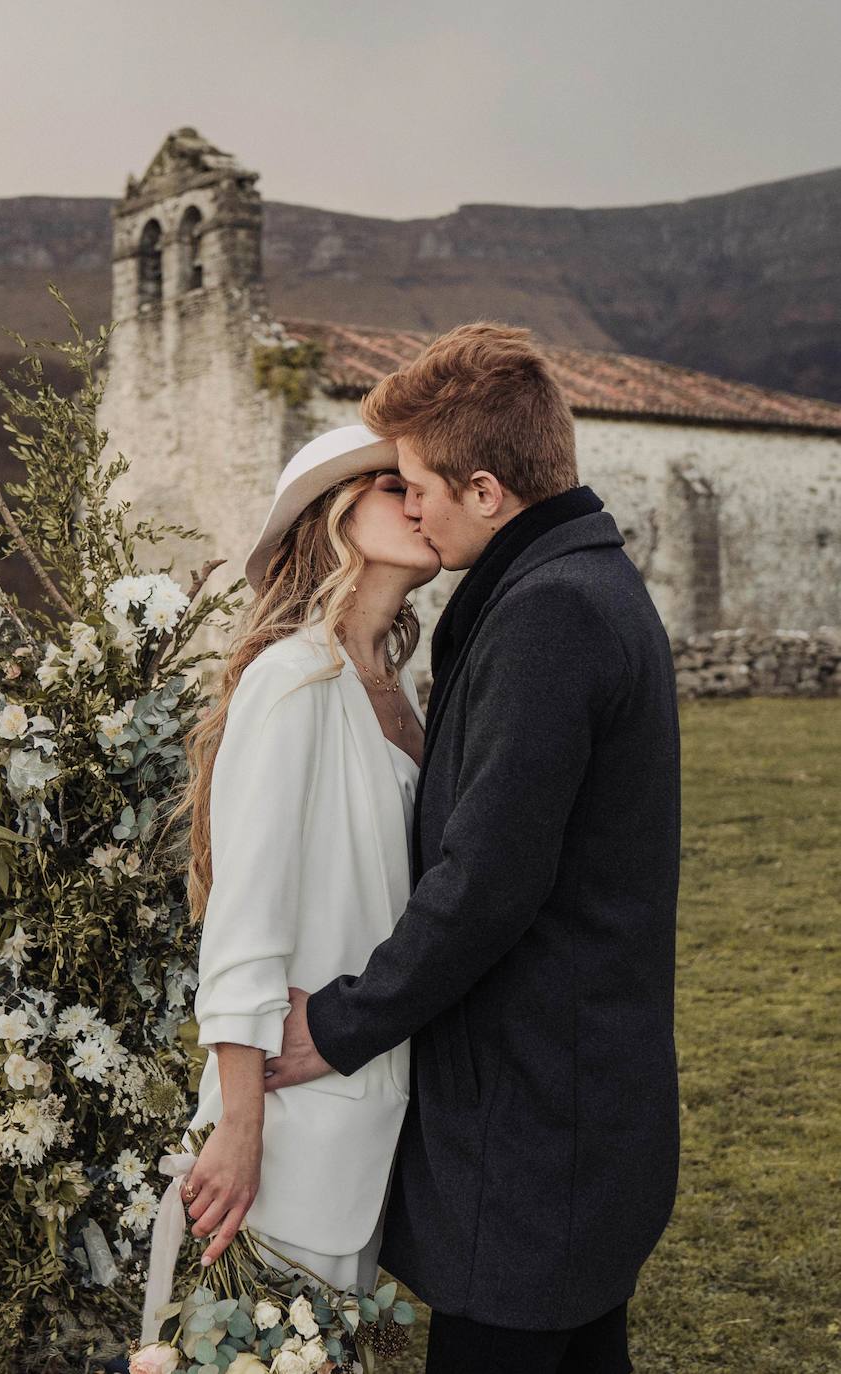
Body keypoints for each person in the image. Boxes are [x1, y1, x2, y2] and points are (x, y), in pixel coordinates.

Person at [262, 322, 682, 1374]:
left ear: (487, 490)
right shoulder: (577, 586)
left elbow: (489, 880)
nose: (413, 505)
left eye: (420, 485)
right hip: (577, 1113)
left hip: (537, 1130)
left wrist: (342, 1025)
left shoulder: (551, 616)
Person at [139, 424, 442, 1345]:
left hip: (368, 1106)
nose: (421, 501)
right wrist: (238, 1133)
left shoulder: (396, 690)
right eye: (397, 486)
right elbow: (244, 919)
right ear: (338, 516)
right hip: (280, 1123)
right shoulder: (291, 678)